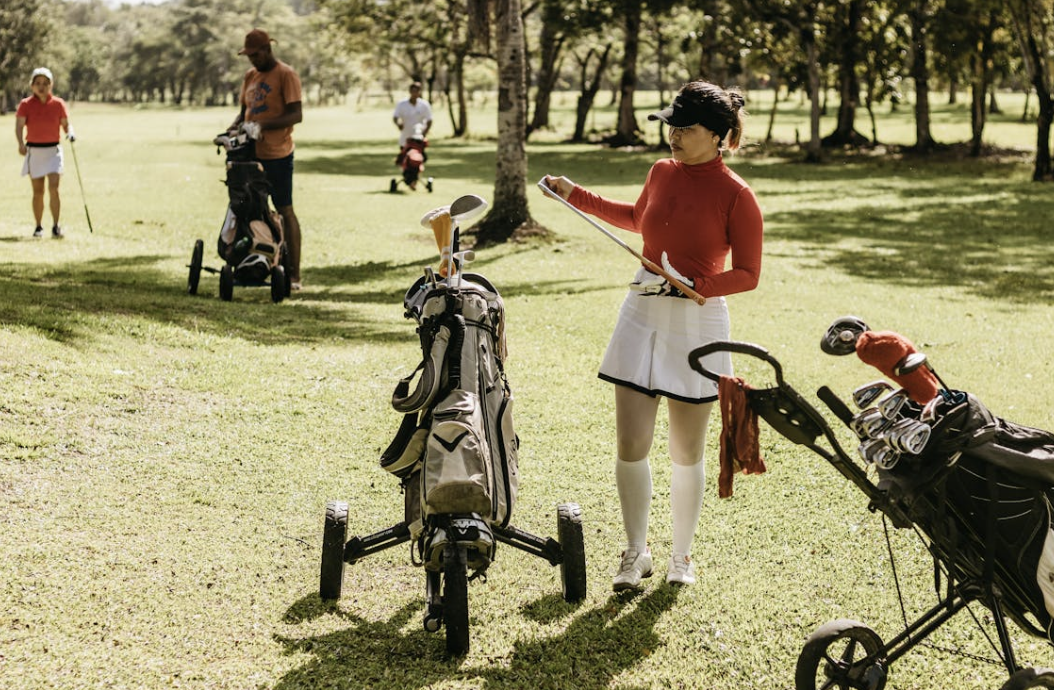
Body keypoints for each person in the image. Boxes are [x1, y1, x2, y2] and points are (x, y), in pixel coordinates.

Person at [541, 80, 764, 590]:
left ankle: (680, 557)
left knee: (686, 451)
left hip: (699, 321)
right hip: (641, 310)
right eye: (671, 125)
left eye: (685, 128)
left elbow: (748, 273)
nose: (673, 136)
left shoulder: (738, 196)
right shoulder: (661, 171)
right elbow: (639, 219)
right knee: (631, 442)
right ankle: (635, 552)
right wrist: (577, 196)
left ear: (720, 135)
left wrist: (699, 286)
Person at [228, 28, 304, 290]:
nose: (251, 59)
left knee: (284, 209)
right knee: (248, 208)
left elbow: (296, 114)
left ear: (268, 49)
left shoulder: (286, 74)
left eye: (255, 54)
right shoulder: (250, 76)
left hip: (278, 154)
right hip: (250, 155)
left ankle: (293, 274)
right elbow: (243, 113)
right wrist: (233, 129)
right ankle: (253, 260)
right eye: (248, 55)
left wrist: (262, 126)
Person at [15, 67, 74, 239]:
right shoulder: (26, 104)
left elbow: (65, 124)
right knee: (38, 191)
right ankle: (38, 226)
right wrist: (20, 143)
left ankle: (56, 226)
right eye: (38, 83)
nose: (41, 87)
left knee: (54, 188)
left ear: (51, 85)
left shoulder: (58, 103)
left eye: (45, 83)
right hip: (35, 151)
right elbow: (19, 126)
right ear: (32, 85)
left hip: (53, 151)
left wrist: (69, 132)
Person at [392, 81, 432, 187]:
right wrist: (398, 124)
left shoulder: (424, 105)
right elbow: (395, 117)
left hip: (419, 139)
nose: (414, 93)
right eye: (413, 90)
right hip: (405, 138)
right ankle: (409, 179)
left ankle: (413, 181)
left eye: (417, 91)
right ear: (410, 91)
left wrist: (425, 132)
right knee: (405, 161)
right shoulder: (402, 104)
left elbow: (429, 120)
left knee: (417, 160)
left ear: (419, 92)